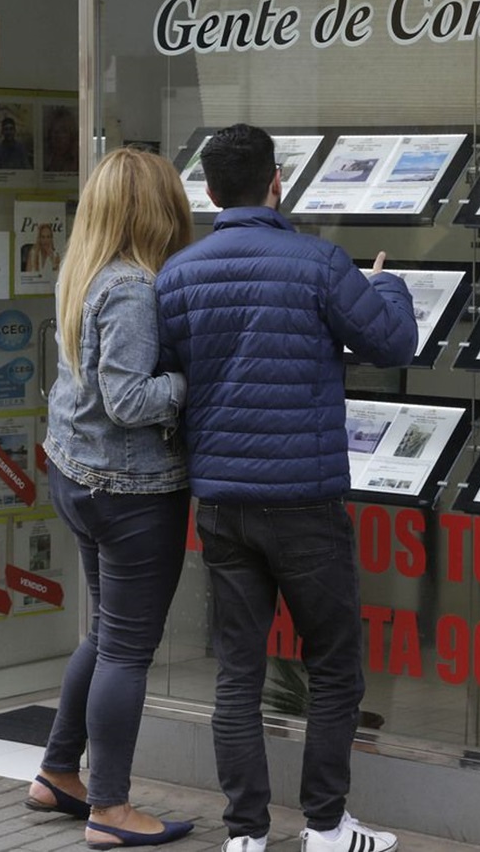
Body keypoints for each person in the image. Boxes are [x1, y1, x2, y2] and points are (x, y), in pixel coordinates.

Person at [154, 123, 417, 852]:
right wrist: (386, 282)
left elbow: (171, 377)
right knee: (334, 662)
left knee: (238, 669)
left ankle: (245, 836)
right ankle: (328, 827)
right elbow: (392, 342)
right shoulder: (321, 263)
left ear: (208, 191)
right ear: (278, 181)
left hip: (223, 504)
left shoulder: (178, 276)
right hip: (306, 499)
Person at [24, 147, 195, 849]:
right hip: (128, 489)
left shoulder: (83, 270)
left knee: (103, 635)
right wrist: (191, 381)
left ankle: (60, 770)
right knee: (127, 648)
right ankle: (113, 807)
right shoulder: (130, 286)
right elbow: (128, 399)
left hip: (80, 474)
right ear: (156, 211)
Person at [44, 105, 79, 173]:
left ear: (71, 135)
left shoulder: (77, 161)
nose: (58, 136)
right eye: (55, 131)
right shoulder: (46, 160)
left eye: (63, 131)